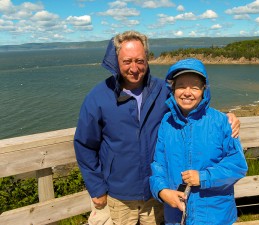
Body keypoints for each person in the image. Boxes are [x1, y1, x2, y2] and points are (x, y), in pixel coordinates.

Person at [74, 31, 241, 225]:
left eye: (140, 60)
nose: (134, 68)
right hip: (117, 194)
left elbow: (194, 103)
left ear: (147, 59)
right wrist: (96, 188)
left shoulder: (163, 90)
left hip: (156, 194)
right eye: (127, 61)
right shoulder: (98, 97)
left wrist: (227, 118)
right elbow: (84, 145)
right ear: (116, 60)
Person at [150, 58, 248, 225]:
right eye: (181, 86)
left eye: (194, 87)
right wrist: (161, 191)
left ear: (204, 90)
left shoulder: (221, 122)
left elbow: (237, 165)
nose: (187, 92)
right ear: (172, 89)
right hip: (176, 216)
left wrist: (203, 178)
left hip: (215, 217)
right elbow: (158, 164)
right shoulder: (166, 122)